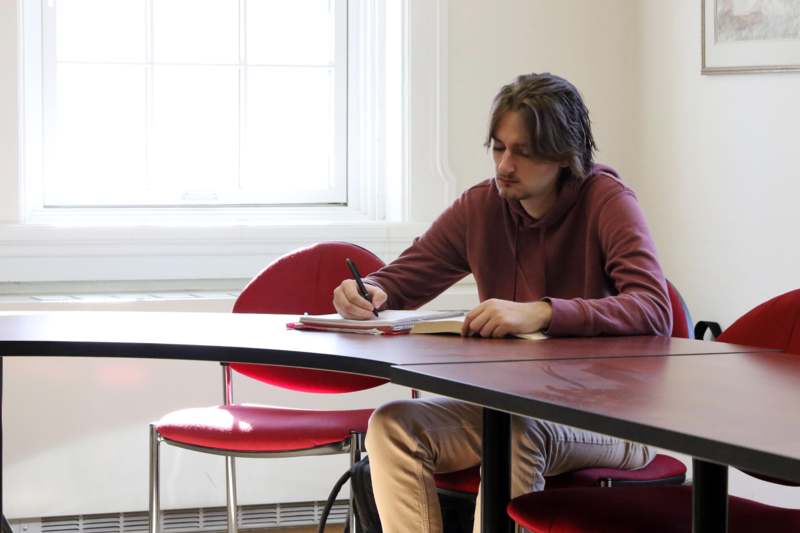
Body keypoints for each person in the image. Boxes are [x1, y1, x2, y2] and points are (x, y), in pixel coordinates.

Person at [332, 72, 672, 533]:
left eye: (524, 152)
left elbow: (653, 308)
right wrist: (371, 289)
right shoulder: (481, 207)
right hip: (509, 407)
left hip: (613, 419)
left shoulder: (608, 201)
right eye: (498, 147)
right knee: (393, 425)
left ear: (564, 156)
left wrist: (545, 311)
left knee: (516, 433)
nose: (505, 165)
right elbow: (407, 275)